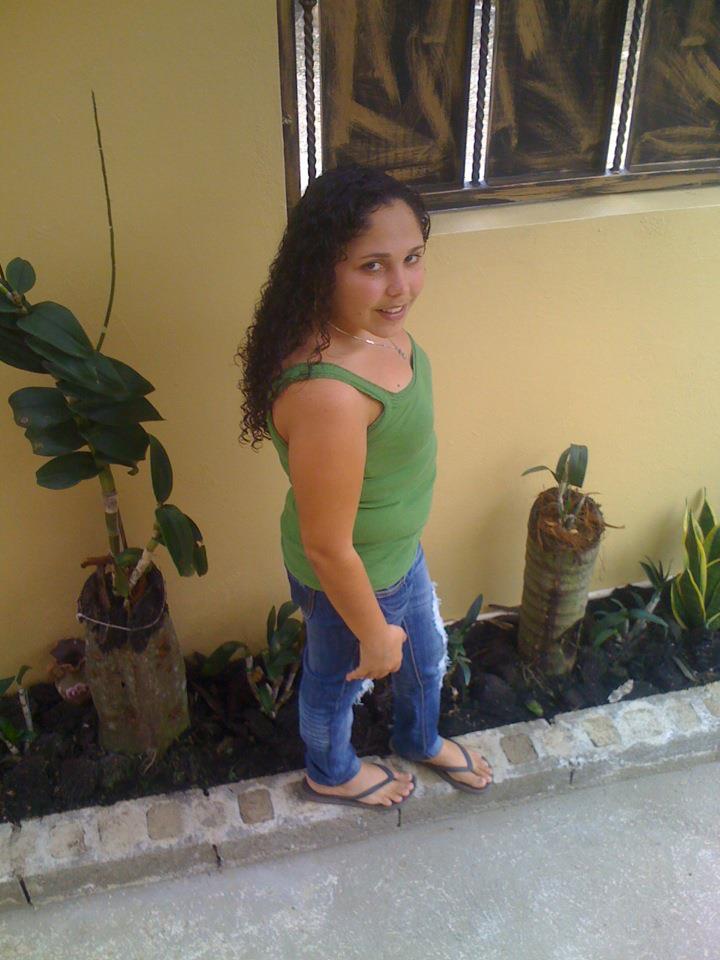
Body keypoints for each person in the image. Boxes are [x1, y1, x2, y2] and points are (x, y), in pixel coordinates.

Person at [238, 165, 492, 809]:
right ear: (321, 268)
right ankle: (330, 772)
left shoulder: (377, 329)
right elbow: (327, 546)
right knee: (336, 683)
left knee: (425, 659)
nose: (401, 286)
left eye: (413, 258)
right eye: (373, 266)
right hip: (352, 578)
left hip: (396, 554)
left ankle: (419, 739)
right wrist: (374, 632)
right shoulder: (328, 393)